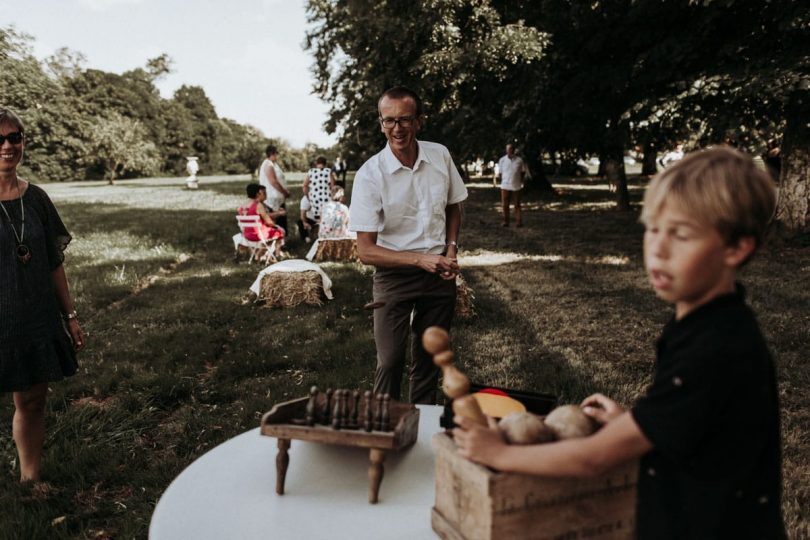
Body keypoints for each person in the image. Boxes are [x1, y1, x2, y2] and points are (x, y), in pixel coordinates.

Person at [453, 146, 786, 540]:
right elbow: (698, 421)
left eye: (680, 235)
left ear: (736, 247)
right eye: (654, 229)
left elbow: (596, 458)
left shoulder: (716, 346)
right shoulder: (706, 323)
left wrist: (501, 453)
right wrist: (637, 421)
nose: (657, 249)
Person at [349, 86, 468, 404]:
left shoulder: (440, 155)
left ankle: (422, 433)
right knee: (389, 362)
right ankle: (383, 430)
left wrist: (451, 248)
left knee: (429, 360)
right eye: (389, 121)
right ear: (380, 123)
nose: (396, 128)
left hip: (439, 274)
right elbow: (365, 251)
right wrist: (419, 260)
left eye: (404, 120)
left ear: (419, 121)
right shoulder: (370, 175)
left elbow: (454, 204)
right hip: (394, 276)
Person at [0, 108, 85, 482]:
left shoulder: (36, 199)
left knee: (32, 401)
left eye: (14, 137)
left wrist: (70, 316)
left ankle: (29, 479)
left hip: (35, 316)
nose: (7, 146)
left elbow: (53, 262)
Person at [238, 183, 285, 260]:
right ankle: (277, 255)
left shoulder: (242, 206)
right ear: (257, 193)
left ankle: (258, 255)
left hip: (246, 235)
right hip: (259, 235)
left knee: (272, 233)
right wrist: (274, 225)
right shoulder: (258, 205)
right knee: (279, 232)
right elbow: (269, 221)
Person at [258, 145, 289, 233]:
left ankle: (282, 241)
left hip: (278, 197)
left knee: (281, 219)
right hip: (272, 197)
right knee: (277, 220)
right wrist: (284, 192)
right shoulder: (268, 164)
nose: (278, 155)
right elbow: (273, 181)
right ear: (272, 153)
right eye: (277, 153)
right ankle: (277, 241)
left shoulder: (273, 164)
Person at [497, 144, 525, 227]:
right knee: (505, 205)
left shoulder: (519, 160)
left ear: (514, 150)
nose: (510, 151)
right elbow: (500, 173)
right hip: (505, 186)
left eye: (511, 149)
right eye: (508, 149)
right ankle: (506, 221)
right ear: (506, 150)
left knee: (517, 205)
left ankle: (519, 222)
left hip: (516, 186)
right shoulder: (502, 160)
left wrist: (520, 181)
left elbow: (523, 172)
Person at [303, 156, 336, 221]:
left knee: (317, 218)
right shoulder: (328, 171)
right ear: (325, 164)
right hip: (326, 198)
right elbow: (333, 187)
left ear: (316, 163)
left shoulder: (311, 171)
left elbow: (305, 186)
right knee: (327, 218)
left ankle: (318, 227)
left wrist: (308, 196)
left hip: (315, 198)